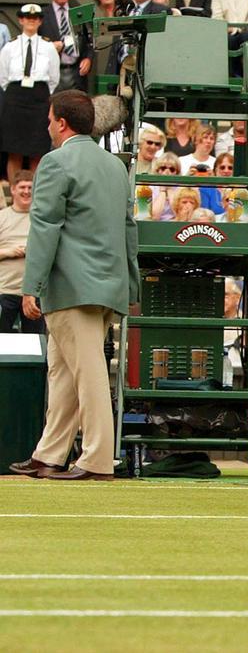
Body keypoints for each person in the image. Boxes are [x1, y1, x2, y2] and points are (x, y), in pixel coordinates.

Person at [8, 91, 139, 480]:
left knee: (88, 372)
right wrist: (130, 287)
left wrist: (31, 285)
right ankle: (49, 454)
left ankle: (97, 460)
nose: (47, 126)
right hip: (107, 286)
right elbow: (128, 229)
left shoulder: (55, 162)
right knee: (64, 372)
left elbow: (45, 227)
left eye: (50, 119)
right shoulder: (115, 166)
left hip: (71, 287)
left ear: (62, 123)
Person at [0, 5, 60, 184]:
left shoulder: (48, 47)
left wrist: (40, 95)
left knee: (37, 150)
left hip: (39, 98)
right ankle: (14, 189)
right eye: (27, 17)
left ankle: (34, 192)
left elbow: (54, 78)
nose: (31, 20)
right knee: (13, 149)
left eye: (35, 18)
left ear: (40, 21)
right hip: (15, 97)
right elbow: (3, 77)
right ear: (20, 20)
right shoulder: (9, 47)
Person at [0, 171, 39, 333]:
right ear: (13, 190)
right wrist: (9, 252)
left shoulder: (42, 219)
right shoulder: (2, 217)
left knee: (36, 346)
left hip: (34, 294)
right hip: (4, 291)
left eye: (30, 187)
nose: (26, 191)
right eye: (22, 187)